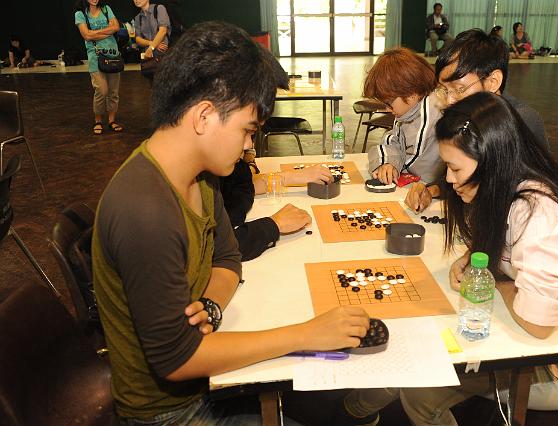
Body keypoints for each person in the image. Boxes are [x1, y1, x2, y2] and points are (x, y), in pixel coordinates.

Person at [92, 21, 370, 424]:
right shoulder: (144, 211)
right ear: (205, 115)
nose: (248, 145)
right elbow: (178, 359)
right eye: (246, 130)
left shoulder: (200, 176)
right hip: (171, 411)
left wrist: (209, 307)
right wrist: (306, 334)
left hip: (207, 380)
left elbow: (227, 258)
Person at [338, 92, 558, 425]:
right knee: (412, 350)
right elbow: (506, 245)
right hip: (528, 338)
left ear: (491, 160)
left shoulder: (542, 216)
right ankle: (355, 411)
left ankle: (355, 411)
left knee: (419, 388)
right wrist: (477, 256)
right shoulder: (502, 188)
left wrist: (493, 280)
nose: (448, 179)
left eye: (455, 168)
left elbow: (539, 325)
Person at [404, 28, 550, 213]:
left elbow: (516, 190)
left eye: (459, 89)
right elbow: (463, 173)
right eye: (444, 90)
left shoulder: (521, 121)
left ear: (492, 82)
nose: (449, 100)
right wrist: (431, 190)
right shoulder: (467, 116)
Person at [364, 47, 444, 214]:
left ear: (411, 94)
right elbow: (394, 140)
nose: (387, 109)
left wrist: (398, 164)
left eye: (389, 103)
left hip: (437, 200)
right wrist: (388, 163)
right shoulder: (410, 111)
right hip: (419, 193)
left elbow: (416, 161)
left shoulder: (436, 113)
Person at [220, 148, 332, 261]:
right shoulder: (209, 183)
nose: (249, 145)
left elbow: (242, 185)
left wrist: (290, 177)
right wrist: (274, 224)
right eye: (244, 136)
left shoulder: (233, 166)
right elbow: (219, 248)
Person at [75, 0, 124, 135]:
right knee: (102, 90)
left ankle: (112, 121)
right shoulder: (80, 14)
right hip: (95, 57)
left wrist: (94, 33)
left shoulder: (106, 9)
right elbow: (86, 35)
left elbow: (116, 27)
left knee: (113, 92)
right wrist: (108, 30)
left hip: (113, 55)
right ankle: (98, 121)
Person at [133, 0, 170, 80]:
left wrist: (151, 48)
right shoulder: (137, 18)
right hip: (149, 60)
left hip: (164, 56)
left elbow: (163, 31)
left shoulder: (159, 8)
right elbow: (138, 39)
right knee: (153, 84)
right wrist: (152, 44)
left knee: (167, 83)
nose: (136, 0)